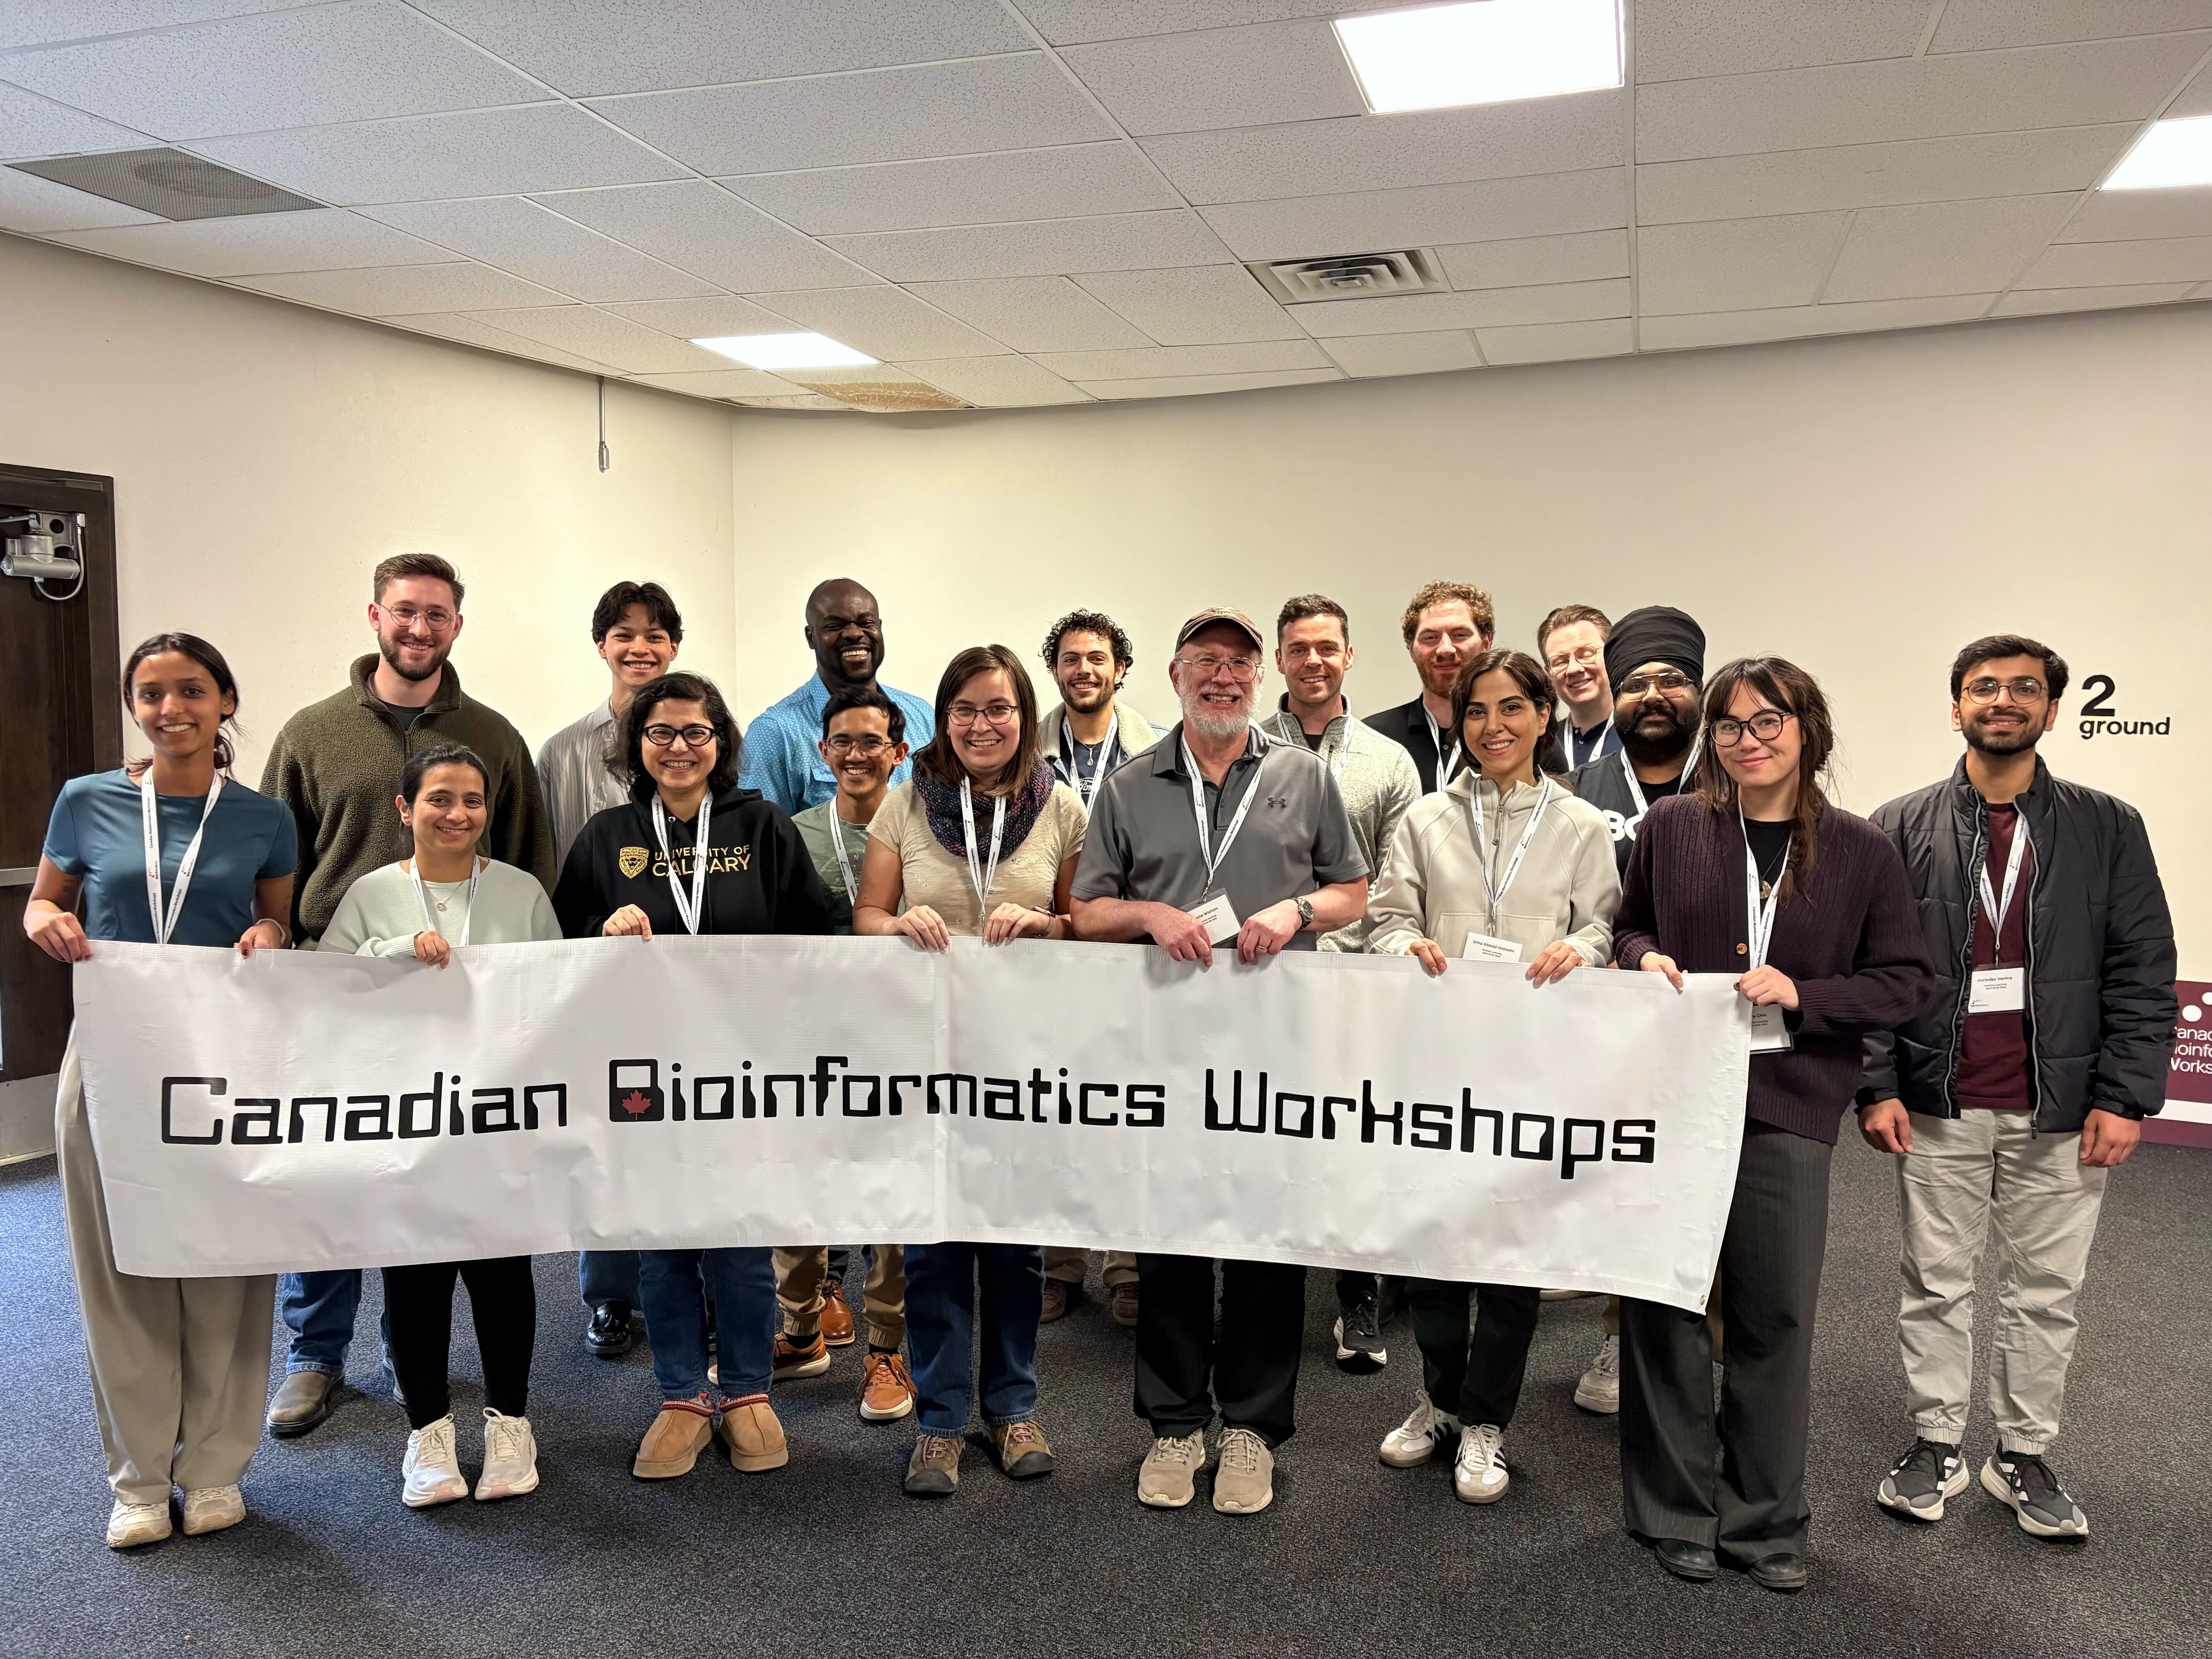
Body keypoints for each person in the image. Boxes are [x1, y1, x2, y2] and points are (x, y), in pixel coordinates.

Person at [1615, 657, 1932, 1593]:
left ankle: (1764, 1521)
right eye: (1729, 726)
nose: (1747, 741)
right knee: (1665, 1304)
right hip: (1673, 1101)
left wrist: (1807, 995)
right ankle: (1674, 1511)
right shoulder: (1672, 828)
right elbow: (1628, 927)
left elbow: (1905, 981)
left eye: (1767, 722)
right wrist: (1644, 960)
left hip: (1787, 1107)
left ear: (1807, 730)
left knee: (1775, 1318)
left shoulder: (1860, 850)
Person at [1859, 635, 2176, 1540]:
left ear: (2050, 709)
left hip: (2062, 1111)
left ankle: (2021, 1454)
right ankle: (1935, 1443)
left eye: (2023, 689)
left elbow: (2144, 969)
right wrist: (1875, 1085)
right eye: (1984, 688)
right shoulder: (1900, 825)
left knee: (2047, 1291)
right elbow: (1873, 969)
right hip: (1937, 1101)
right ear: (1955, 707)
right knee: (1937, 1282)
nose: (2003, 701)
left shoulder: (2109, 826)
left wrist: (2127, 1096)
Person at [1071, 608, 1369, 1517]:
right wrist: (1151, 916)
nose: (1223, 678)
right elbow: (1088, 913)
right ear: (1174, 676)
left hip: (1275, 1056)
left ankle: (1250, 1429)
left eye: (1239, 665)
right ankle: (1173, 1424)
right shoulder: (1128, 786)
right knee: (1169, 1243)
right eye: (1206, 663)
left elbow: (1354, 889)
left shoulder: (1303, 777)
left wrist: (1300, 914)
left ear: (1258, 678)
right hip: (1163, 1054)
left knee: (1266, 1244)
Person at [259, 553, 555, 1438]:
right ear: (375, 617)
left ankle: (403, 1349)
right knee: (332, 1180)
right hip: (341, 990)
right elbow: (281, 857)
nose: (419, 628)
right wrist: (295, 953)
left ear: (457, 626)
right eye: (404, 613)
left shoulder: (494, 735)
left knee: (429, 1195)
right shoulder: (313, 733)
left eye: (436, 615)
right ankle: (315, 1356)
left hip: (466, 1012)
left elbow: (528, 858)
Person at [27, 633, 296, 1549]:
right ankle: (140, 1478)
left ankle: (217, 1467)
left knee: (227, 1260)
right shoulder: (87, 800)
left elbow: (274, 916)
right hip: (111, 1055)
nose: (170, 707)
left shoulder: (263, 816)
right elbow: (41, 903)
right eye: (150, 693)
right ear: (132, 705)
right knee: (121, 1264)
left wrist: (268, 934)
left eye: (190, 690)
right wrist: (49, 921)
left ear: (225, 700)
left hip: (223, 1060)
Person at [553, 672, 835, 1481]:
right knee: (665, 1243)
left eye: (697, 732)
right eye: (662, 733)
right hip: (642, 1081)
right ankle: (681, 1394)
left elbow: (817, 939)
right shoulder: (606, 836)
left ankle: (747, 1392)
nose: (679, 748)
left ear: (723, 742)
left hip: (743, 1075)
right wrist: (602, 929)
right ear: (636, 744)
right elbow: (557, 947)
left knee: (741, 1241)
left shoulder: (764, 826)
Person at [1365, 649, 1620, 1504]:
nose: (1494, 727)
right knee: (1435, 1243)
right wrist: (1404, 942)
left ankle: (1486, 1422)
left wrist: (1579, 948)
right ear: (1459, 720)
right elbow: (1387, 917)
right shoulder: (1425, 819)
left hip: (1535, 1065)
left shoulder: (1583, 825)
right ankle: (1438, 1399)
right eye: (1477, 711)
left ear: (1544, 717)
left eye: (1513, 708)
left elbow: (1608, 930)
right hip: (1437, 1060)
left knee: (1512, 1249)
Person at [852, 644, 1087, 1497]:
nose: (982, 725)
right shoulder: (908, 802)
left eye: (998, 708)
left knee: (1015, 1245)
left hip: (1023, 1058)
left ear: (1025, 714)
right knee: (934, 1244)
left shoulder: (1062, 806)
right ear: (944, 718)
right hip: (927, 1058)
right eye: (965, 710)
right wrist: (898, 923)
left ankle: (1014, 1406)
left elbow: (1082, 924)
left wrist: (1047, 928)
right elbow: (866, 917)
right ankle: (942, 1421)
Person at [321, 744, 563, 1508]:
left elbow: (562, 991)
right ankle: (426, 1435)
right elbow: (326, 989)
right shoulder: (369, 894)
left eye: (472, 800)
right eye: (438, 799)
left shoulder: (522, 892)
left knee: (501, 1276)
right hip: (409, 1121)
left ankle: (511, 1427)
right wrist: (393, 952)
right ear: (404, 808)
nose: (456, 814)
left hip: (499, 1120)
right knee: (414, 1277)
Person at [1562, 604, 1709, 1413]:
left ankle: (1702, 1350)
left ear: (1699, 692)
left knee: (1706, 1184)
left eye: (1672, 681)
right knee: (1620, 1184)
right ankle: (1621, 1338)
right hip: (1606, 1022)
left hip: (1706, 1016)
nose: (1654, 696)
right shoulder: (1581, 789)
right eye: (1637, 684)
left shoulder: (1735, 780)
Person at [1269, 593, 1421, 1373]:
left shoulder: (1389, 762)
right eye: (1299, 649)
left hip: (1358, 983)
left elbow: (1398, 883)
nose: (1314, 661)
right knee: (1265, 1136)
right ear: (1280, 661)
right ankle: (1264, 1300)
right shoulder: (1242, 748)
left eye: (1327, 647)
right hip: (1264, 984)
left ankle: (1357, 1305)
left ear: (1349, 656)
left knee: (1357, 1144)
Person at [534, 579, 683, 1362]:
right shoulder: (562, 752)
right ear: (603, 646)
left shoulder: (705, 738)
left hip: (685, 978)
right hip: (599, 966)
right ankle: (611, 1298)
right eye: (624, 634)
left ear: (673, 648)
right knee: (607, 1135)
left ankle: (687, 1285)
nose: (640, 646)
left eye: (656, 634)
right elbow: (557, 867)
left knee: (687, 1130)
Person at [780, 684, 915, 1425]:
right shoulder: (789, 831)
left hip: (895, 1042)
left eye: (873, 741)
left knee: (889, 1195)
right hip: (806, 1042)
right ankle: (801, 1327)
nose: (857, 754)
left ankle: (885, 1347)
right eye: (843, 742)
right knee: (798, 1187)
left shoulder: (924, 830)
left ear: (899, 752)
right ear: (823, 751)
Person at [1036, 608, 1156, 1325]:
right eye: (1071, 658)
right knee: (1053, 1106)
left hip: (1130, 946)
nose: (1084, 669)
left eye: (1097, 658)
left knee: (1127, 1108)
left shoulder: (1155, 745)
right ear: (1055, 669)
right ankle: (1057, 1264)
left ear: (1120, 669)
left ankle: (1128, 1264)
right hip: (1054, 946)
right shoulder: (1026, 743)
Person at [740, 577, 935, 815]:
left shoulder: (922, 716)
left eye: (866, 623)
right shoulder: (775, 732)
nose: (854, 634)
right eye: (835, 626)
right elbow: (762, 838)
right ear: (811, 637)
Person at [1366, 580, 1495, 792]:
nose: (1446, 649)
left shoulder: (1518, 737)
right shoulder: (1373, 739)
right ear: (1411, 650)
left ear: (1486, 643)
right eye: (1430, 638)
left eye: (1460, 635)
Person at [1537, 603, 1622, 770]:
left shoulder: (1639, 736)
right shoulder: (1541, 744)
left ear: (1611, 655)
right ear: (1549, 674)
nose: (1574, 669)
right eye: (1560, 662)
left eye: (1585, 654)